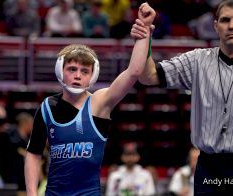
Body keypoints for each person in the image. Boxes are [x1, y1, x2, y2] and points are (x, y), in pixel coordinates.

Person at [132, 0, 233, 195]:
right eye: (225, 20)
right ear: (215, 25)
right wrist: (144, 37)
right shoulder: (197, 60)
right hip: (209, 167)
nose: (232, 26)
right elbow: (148, 76)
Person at [24, 13, 154, 195]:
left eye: (85, 71)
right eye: (72, 69)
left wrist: (144, 32)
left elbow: (134, 72)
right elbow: (33, 153)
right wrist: (31, 193)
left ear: (92, 76)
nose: (78, 75)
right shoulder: (47, 107)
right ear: (60, 71)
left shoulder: (100, 102)